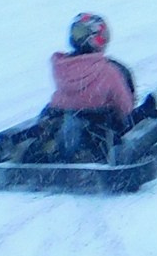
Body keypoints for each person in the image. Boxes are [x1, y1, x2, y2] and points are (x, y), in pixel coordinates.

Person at [41, 12, 144, 159]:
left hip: (62, 117)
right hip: (99, 131)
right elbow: (125, 108)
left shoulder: (60, 67)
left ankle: (51, 145)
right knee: (146, 114)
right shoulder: (109, 70)